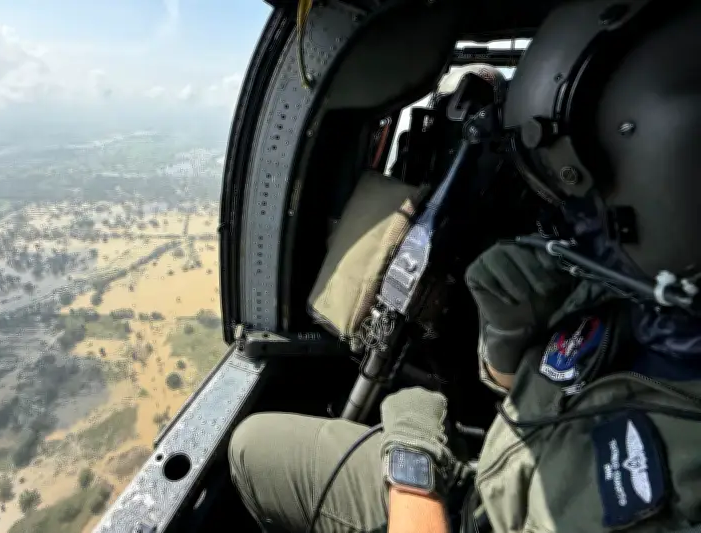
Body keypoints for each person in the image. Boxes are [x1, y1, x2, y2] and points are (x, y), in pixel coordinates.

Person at [229, 1, 701, 531]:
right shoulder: (633, 298)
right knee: (251, 446)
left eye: (585, 208)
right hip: (487, 482)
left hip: (450, 507)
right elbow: (528, 394)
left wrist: (413, 466)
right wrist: (505, 343)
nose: (566, 225)